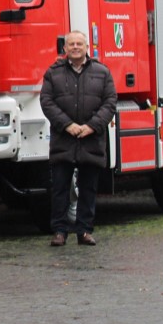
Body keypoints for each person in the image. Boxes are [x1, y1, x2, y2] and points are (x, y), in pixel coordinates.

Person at [39, 29, 117, 246]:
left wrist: (92, 126)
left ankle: (84, 231)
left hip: (91, 139)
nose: (75, 47)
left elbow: (110, 101)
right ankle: (60, 232)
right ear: (65, 48)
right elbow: (46, 101)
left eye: (79, 44)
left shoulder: (102, 72)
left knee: (89, 188)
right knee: (60, 189)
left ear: (86, 48)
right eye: (71, 44)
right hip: (63, 140)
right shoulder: (52, 73)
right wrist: (67, 125)